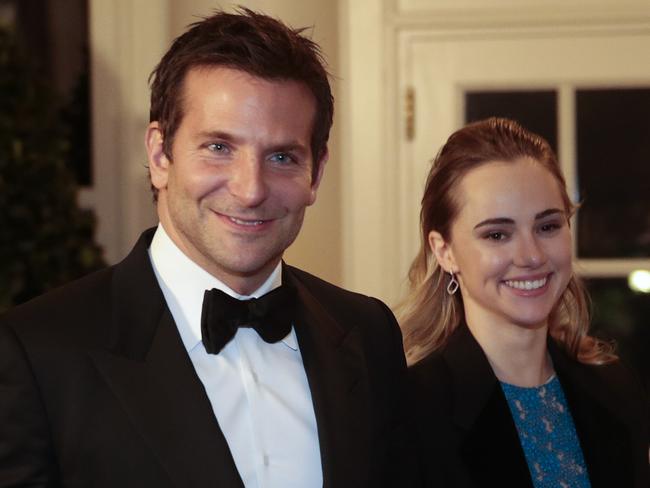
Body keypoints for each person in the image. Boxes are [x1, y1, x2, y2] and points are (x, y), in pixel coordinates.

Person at [0, 9, 413, 487]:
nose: (250, 189)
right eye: (219, 147)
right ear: (160, 155)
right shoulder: (38, 352)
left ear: (315, 173)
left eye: (282, 156)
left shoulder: (368, 333)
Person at [400, 117, 649, 487]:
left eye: (547, 226)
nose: (531, 255)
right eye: (497, 234)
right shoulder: (408, 411)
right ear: (445, 251)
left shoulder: (615, 389)